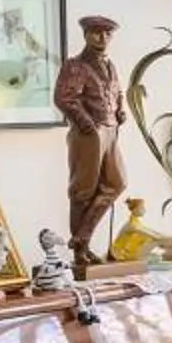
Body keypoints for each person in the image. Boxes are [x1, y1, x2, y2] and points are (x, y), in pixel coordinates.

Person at [56, 16, 127, 270]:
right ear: (86, 35)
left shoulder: (110, 64)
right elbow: (64, 97)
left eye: (107, 34)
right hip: (90, 132)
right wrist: (85, 123)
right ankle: (81, 253)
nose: (102, 38)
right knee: (83, 190)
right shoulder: (76, 65)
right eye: (96, 33)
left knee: (116, 183)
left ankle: (80, 238)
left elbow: (117, 91)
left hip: (111, 130)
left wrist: (121, 110)